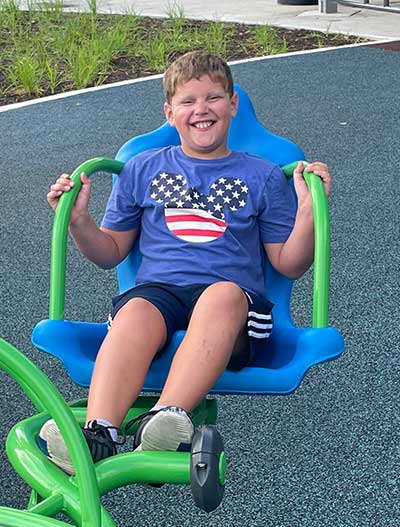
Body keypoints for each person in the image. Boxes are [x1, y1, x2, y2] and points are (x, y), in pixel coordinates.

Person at [38, 50, 331, 475]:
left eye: (213, 98)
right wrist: (79, 221)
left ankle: (165, 418)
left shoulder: (262, 174)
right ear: (169, 112)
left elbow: (289, 264)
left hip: (233, 303)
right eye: (188, 101)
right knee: (135, 308)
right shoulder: (141, 168)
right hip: (160, 293)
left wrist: (307, 213)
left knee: (223, 296)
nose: (201, 109)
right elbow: (109, 252)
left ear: (232, 105)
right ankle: (99, 431)